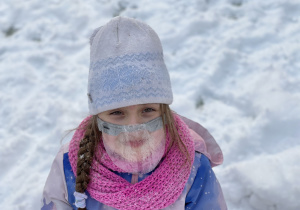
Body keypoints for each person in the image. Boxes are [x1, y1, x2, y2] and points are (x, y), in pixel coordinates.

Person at [41, 16, 227, 210]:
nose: (133, 128)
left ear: (164, 111)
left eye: (147, 110)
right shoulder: (69, 165)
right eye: (117, 113)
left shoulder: (192, 164)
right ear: (98, 118)